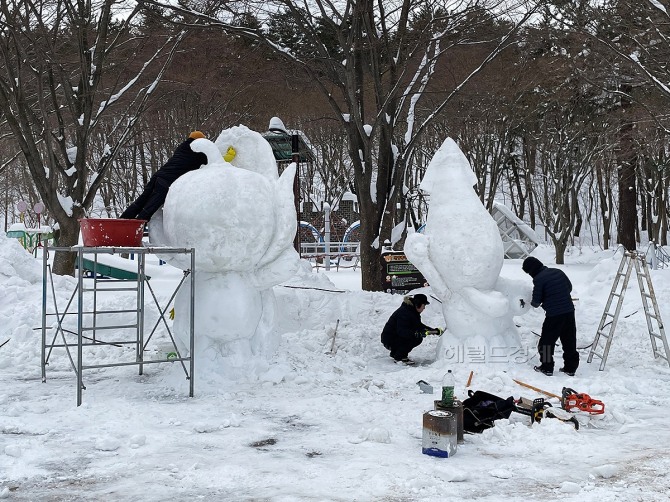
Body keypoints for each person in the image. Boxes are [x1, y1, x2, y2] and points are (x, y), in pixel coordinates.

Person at [120, 131, 208, 221]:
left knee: (141, 201)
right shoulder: (199, 153)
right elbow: (208, 164)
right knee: (150, 208)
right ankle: (136, 227)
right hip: (166, 182)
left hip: (158, 176)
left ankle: (121, 221)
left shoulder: (182, 147)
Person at [522, 256, 578, 376]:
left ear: (531, 271)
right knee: (569, 340)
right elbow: (569, 288)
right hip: (569, 311)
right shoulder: (558, 271)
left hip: (554, 315)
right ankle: (570, 368)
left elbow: (536, 302)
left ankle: (547, 367)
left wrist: (529, 302)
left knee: (546, 343)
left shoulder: (538, 279)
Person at [381, 293, 442, 364]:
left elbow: (419, 326)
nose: (424, 308)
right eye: (424, 305)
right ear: (418, 304)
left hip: (394, 337)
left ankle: (396, 353)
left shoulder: (411, 311)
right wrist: (416, 334)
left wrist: (433, 331)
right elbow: (402, 331)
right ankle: (399, 357)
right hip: (389, 339)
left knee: (415, 337)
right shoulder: (405, 312)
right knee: (416, 338)